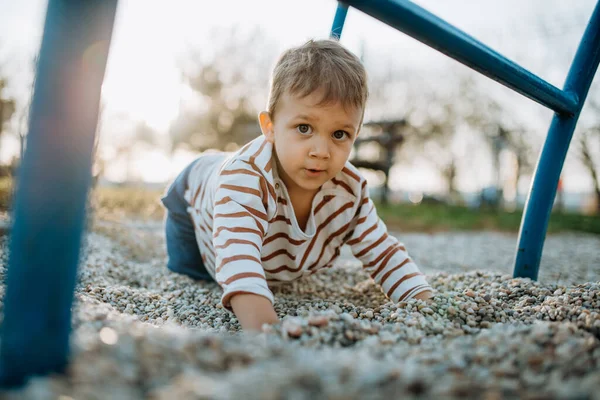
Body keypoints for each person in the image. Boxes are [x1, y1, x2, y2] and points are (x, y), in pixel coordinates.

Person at [161, 39, 434, 332]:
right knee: (197, 272)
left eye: (340, 134)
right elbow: (238, 261)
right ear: (270, 127)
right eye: (304, 128)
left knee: (270, 270)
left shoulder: (349, 190)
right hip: (193, 200)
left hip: (260, 228)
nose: (321, 150)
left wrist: (424, 304)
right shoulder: (245, 180)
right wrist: (269, 332)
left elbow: (382, 252)